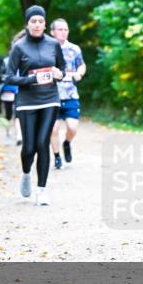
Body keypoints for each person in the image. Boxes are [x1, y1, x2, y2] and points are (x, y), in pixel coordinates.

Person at [5, 7, 66, 206]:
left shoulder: (53, 44)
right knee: (29, 147)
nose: (37, 24)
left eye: (40, 21)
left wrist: (59, 74)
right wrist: (32, 79)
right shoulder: (19, 47)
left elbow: (62, 69)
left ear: (45, 24)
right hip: (26, 102)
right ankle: (25, 174)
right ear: (27, 24)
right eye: (33, 21)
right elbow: (10, 77)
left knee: (42, 143)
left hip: (50, 98)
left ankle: (42, 190)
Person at [49, 18, 86, 170]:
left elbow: (82, 65)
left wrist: (79, 73)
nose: (63, 32)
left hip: (70, 94)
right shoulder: (47, 48)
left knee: (73, 128)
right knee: (53, 129)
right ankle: (57, 157)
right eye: (60, 29)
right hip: (52, 95)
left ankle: (67, 143)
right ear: (52, 32)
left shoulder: (74, 49)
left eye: (66, 29)